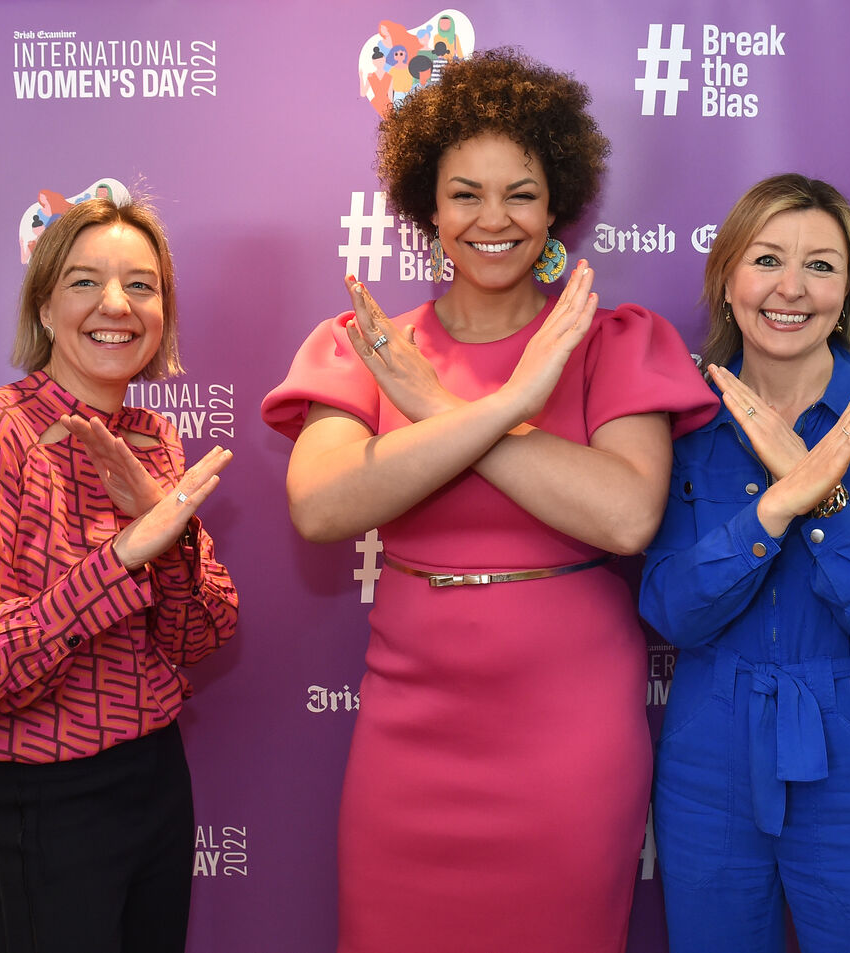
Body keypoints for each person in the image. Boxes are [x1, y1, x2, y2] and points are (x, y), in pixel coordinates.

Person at [262, 48, 717, 953]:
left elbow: (625, 514)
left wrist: (443, 414)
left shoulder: (612, 344)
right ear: (428, 208)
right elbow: (320, 506)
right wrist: (504, 404)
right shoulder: (368, 347)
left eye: (521, 192)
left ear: (556, 208)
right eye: (465, 192)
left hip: (569, 743)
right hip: (409, 739)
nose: (493, 218)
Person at [0, 197, 240, 953]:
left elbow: (202, 635)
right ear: (45, 304)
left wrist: (174, 543)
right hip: (41, 801)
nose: (116, 306)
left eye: (142, 284)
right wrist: (119, 560)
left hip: (155, 778)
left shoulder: (154, 435)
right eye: (85, 281)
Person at [639, 173, 850, 953]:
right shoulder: (685, 425)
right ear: (728, 281)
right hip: (710, 769)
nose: (791, 288)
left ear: (847, 293)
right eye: (767, 258)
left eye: (821, 266)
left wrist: (826, 501)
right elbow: (671, 608)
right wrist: (774, 508)